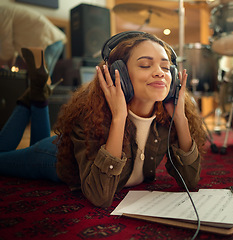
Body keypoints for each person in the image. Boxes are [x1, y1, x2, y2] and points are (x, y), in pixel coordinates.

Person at [0, 31, 207, 208]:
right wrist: (119, 118)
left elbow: (190, 181)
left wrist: (180, 118)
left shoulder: (166, 117)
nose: (160, 73)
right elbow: (100, 196)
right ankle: (36, 95)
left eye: (165, 67)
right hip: (53, 156)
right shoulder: (92, 116)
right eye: (145, 65)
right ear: (120, 75)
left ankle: (37, 94)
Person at [0, 3, 66, 76]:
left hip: (48, 41)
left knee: (41, 79)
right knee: (43, 79)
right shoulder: (5, 11)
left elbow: (6, 46)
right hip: (53, 41)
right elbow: (10, 47)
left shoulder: (2, 13)